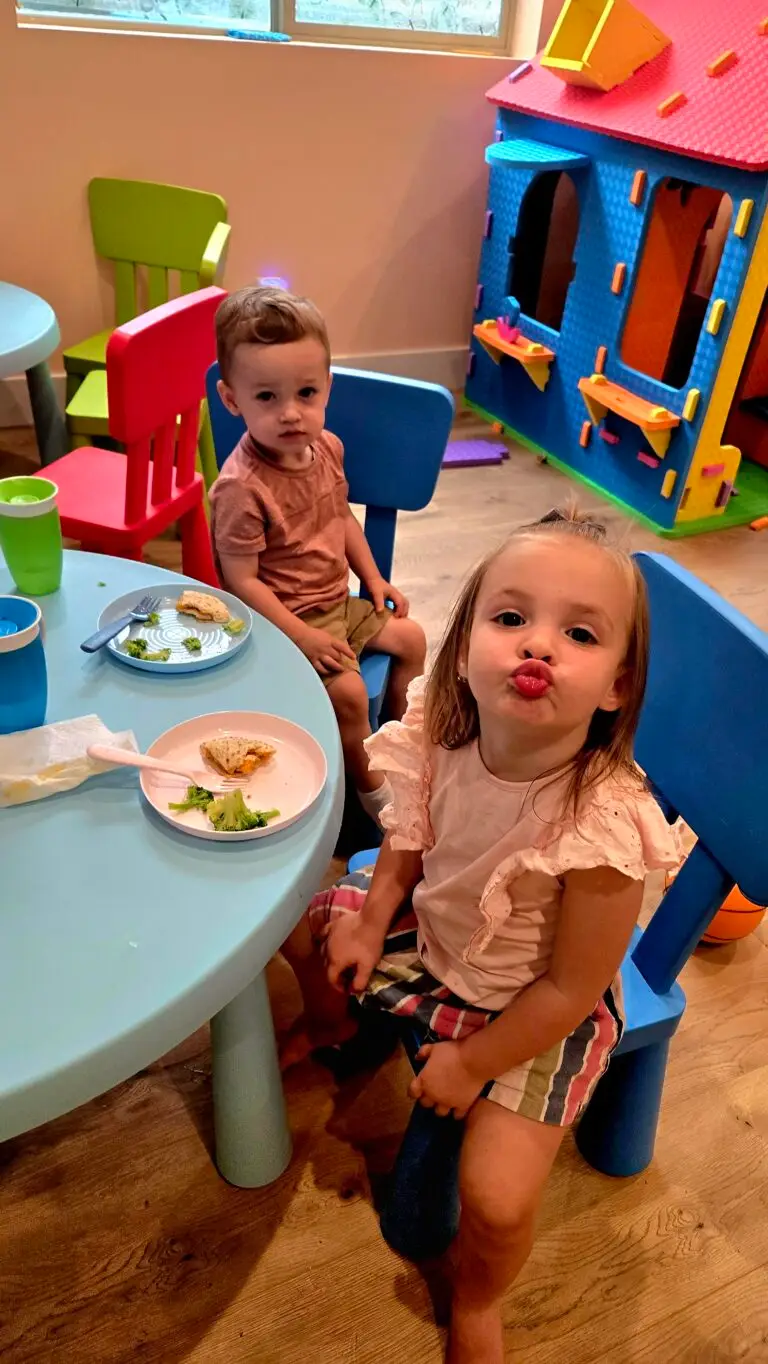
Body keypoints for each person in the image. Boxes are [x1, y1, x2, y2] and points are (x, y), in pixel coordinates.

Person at [280, 507, 682, 1364]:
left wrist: (472, 1062)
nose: (537, 647)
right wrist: (377, 910)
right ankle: (339, 1032)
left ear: (617, 683)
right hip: (431, 944)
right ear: (464, 649)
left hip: (530, 1009)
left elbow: (572, 991)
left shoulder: (602, 826)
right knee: (306, 927)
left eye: (578, 633)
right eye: (510, 619)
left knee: (495, 1200)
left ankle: (479, 1298)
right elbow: (411, 832)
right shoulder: (444, 728)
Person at [209, 285, 426, 826]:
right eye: (266, 397)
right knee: (351, 693)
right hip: (283, 624)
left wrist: (372, 579)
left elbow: (340, 519)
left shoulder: (327, 447)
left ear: (327, 386)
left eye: (306, 393)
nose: (290, 413)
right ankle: (372, 802)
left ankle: (397, 745)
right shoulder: (241, 488)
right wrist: (303, 636)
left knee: (413, 638)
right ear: (232, 399)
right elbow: (242, 581)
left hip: (336, 603)